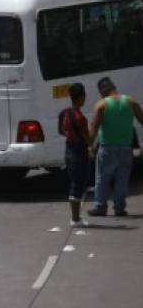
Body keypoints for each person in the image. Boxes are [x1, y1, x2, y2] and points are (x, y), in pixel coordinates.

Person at [87, 77, 143, 217]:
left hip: (107, 148)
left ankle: (100, 207)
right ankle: (119, 208)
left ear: (101, 91)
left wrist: (89, 147)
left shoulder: (101, 105)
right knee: (122, 179)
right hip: (126, 147)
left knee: (102, 178)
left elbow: (93, 128)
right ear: (113, 87)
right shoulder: (131, 102)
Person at [59, 83, 91, 227]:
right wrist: (92, 146)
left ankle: (76, 218)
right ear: (80, 98)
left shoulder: (64, 113)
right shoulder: (80, 118)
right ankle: (75, 219)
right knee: (78, 184)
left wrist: (70, 135)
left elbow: (61, 131)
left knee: (74, 181)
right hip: (79, 150)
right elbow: (87, 137)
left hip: (69, 148)